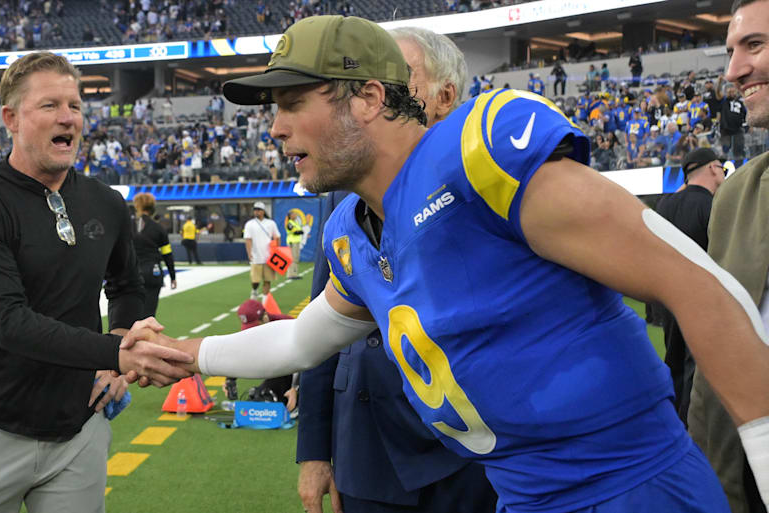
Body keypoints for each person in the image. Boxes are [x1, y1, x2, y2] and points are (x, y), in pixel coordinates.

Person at [128, 15, 769, 513]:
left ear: (368, 98)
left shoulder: (480, 153)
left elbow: (699, 286)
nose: (274, 129)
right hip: (521, 495)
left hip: (629, 487)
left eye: (292, 103)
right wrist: (189, 354)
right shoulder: (352, 230)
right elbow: (302, 340)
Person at [0, 52, 193, 513]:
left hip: (79, 426)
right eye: (50, 105)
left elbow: (125, 285)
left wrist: (118, 347)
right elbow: (10, 323)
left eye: (75, 105)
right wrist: (118, 353)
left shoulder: (106, 202)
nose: (68, 117)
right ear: (11, 119)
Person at [296, 25, 496, 513]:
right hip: (365, 446)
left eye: (397, 79)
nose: (376, 96)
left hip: (473, 445)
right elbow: (320, 332)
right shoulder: (345, 198)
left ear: (444, 97)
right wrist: (314, 452)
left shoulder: (488, 179)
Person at [689, 1, 769, 511]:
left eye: (754, 44)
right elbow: (710, 365)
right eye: (731, 51)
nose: (733, 71)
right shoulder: (737, 195)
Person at [654, 147, 726, 426]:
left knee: (673, 361)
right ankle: (689, 427)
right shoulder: (713, 205)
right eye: (721, 168)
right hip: (702, 299)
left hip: (667, 298)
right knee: (697, 370)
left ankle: (670, 423)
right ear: (712, 168)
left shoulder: (665, 204)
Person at [224, 299, 297, 404]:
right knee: (260, 397)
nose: (253, 332)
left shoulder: (288, 326)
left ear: (265, 317)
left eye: (255, 327)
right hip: (279, 370)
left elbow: (307, 360)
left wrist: (296, 389)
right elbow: (241, 351)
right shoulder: (253, 333)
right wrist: (230, 379)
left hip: (300, 372)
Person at [132, 192, 177, 319]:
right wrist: (172, 276)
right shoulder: (159, 228)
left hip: (132, 274)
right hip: (153, 273)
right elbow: (167, 254)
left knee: (132, 315)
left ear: (137, 206)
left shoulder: (128, 226)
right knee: (149, 315)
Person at [243, 201, 279, 300]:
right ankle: (254, 290)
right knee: (255, 280)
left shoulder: (271, 223)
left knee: (267, 280)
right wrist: (249, 253)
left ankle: (265, 300)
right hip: (256, 256)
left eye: (258, 210)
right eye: (255, 210)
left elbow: (277, 236)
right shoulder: (250, 224)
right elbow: (248, 239)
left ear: (263, 211)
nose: (256, 212)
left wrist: (277, 251)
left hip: (269, 257)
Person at [285, 211, 303, 279]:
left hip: (296, 242)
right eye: (294, 214)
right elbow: (296, 232)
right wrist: (299, 231)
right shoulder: (289, 223)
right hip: (292, 242)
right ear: (290, 216)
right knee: (292, 258)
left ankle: (295, 274)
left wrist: (300, 231)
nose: (295, 215)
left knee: (296, 258)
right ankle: (290, 274)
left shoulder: (295, 223)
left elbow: (300, 231)